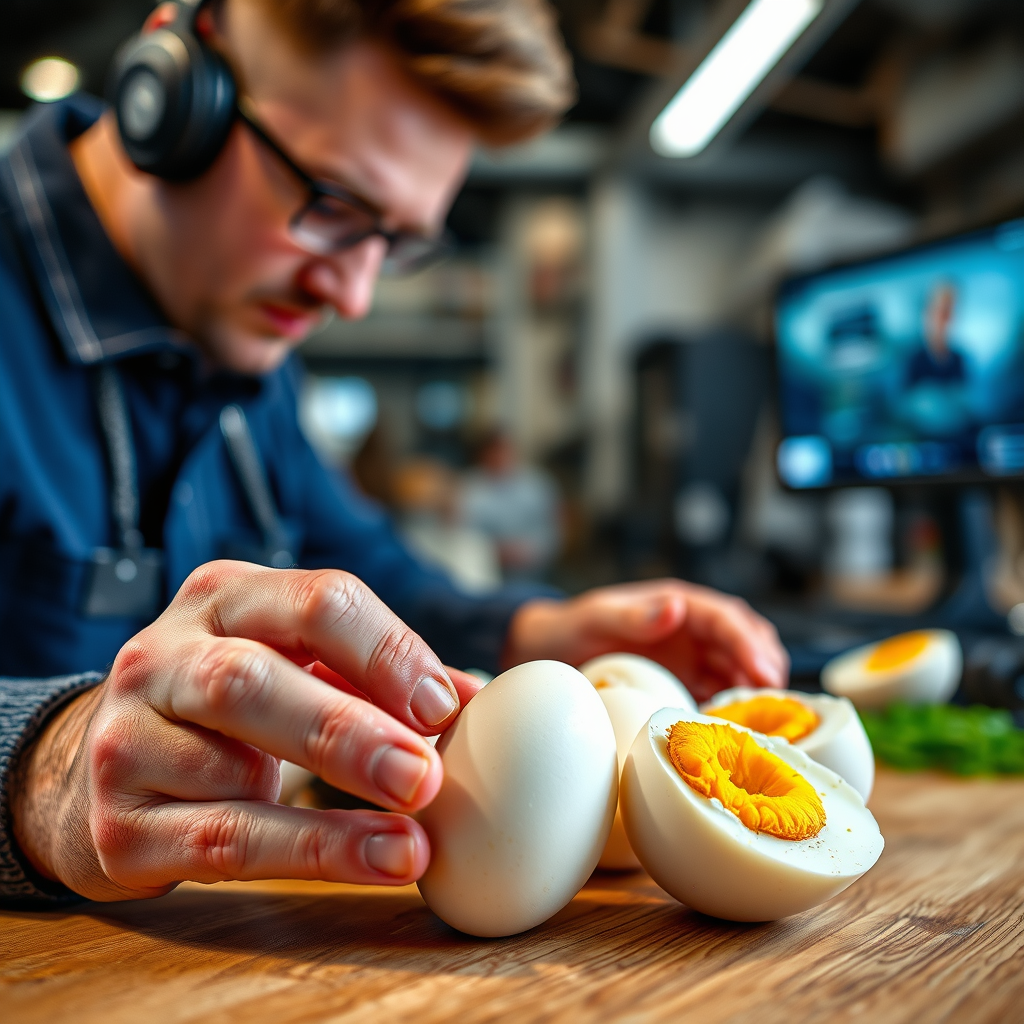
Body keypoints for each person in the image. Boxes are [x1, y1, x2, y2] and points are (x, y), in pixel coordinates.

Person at [0, 0, 788, 908]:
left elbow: (372, 576)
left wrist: (537, 637)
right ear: (176, 86)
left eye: (398, 242)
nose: (356, 291)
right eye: (333, 204)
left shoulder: (248, 355)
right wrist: (42, 768)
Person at [461, 430, 561, 581]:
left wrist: (528, 551)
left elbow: (553, 534)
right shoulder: (468, 488)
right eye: (494, 452)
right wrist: (492, 552)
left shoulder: (538, 485)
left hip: (534, 574)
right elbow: (462, 536)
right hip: (483, 576)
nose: (500, 457)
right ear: (483, 455)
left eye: (505, 451)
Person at [905, 283, 965, 388]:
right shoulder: (913, 361)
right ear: (928, 312)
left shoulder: (959, 360)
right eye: (943, 311)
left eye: (952, 310)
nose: (948, 319)